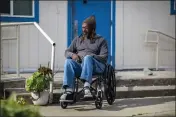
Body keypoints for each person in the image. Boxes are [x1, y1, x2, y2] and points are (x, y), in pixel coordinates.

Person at [60, 15, 108, 102]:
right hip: (81, 66)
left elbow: (104, 57)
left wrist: (91, 56)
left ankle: (87, 87)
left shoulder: (101, 40)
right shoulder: (77, 39)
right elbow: (66, 52)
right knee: (68, 61)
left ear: (92, 28)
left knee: (88, 58)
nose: (83, 30)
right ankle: (69, 91)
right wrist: (73, 55)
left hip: (95, 67)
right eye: (82, 28)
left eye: (86, 28)